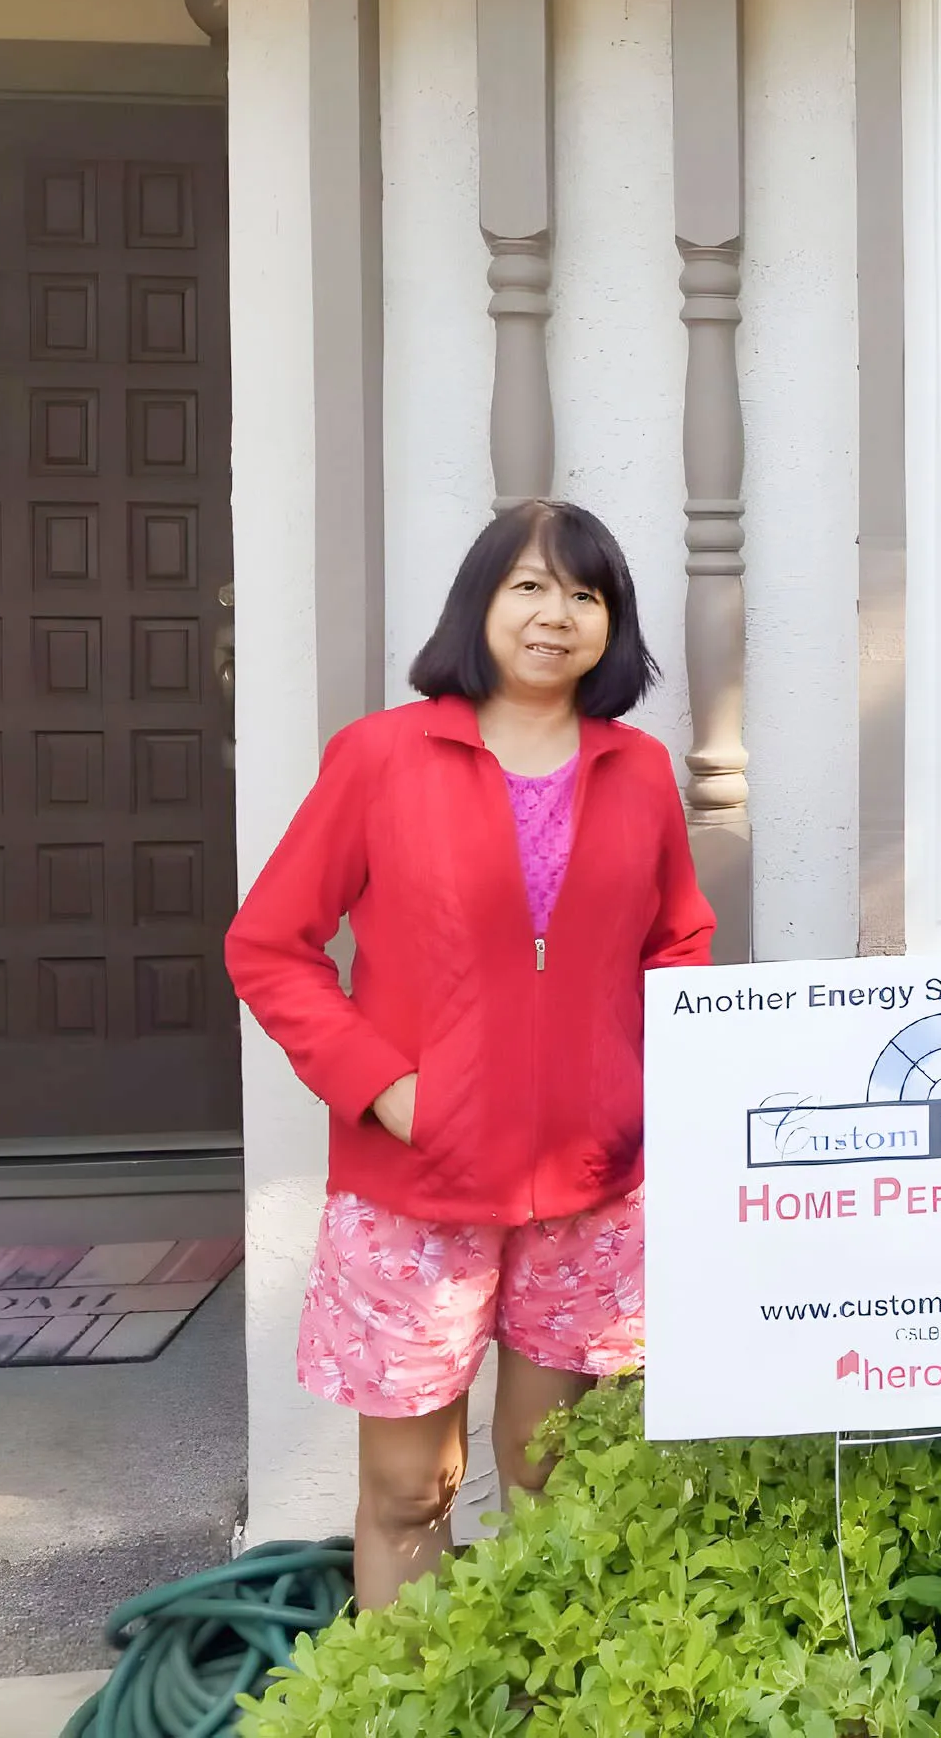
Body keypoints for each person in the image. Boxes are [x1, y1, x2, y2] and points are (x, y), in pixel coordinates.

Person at [227, 500, 713, 1608]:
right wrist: (382, 1087)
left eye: (586, 595)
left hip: (590, 1190)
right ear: (481, 604)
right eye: (530, 587)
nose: (557, 615)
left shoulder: (637, 773)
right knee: (414, 1490)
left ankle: (540, 1703)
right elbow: (270, 946)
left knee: (554, 1479)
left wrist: (638, 1089)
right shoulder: (381, 759)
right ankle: (408, 1703)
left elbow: (677, 942)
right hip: (417, 1191)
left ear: (612, 625)